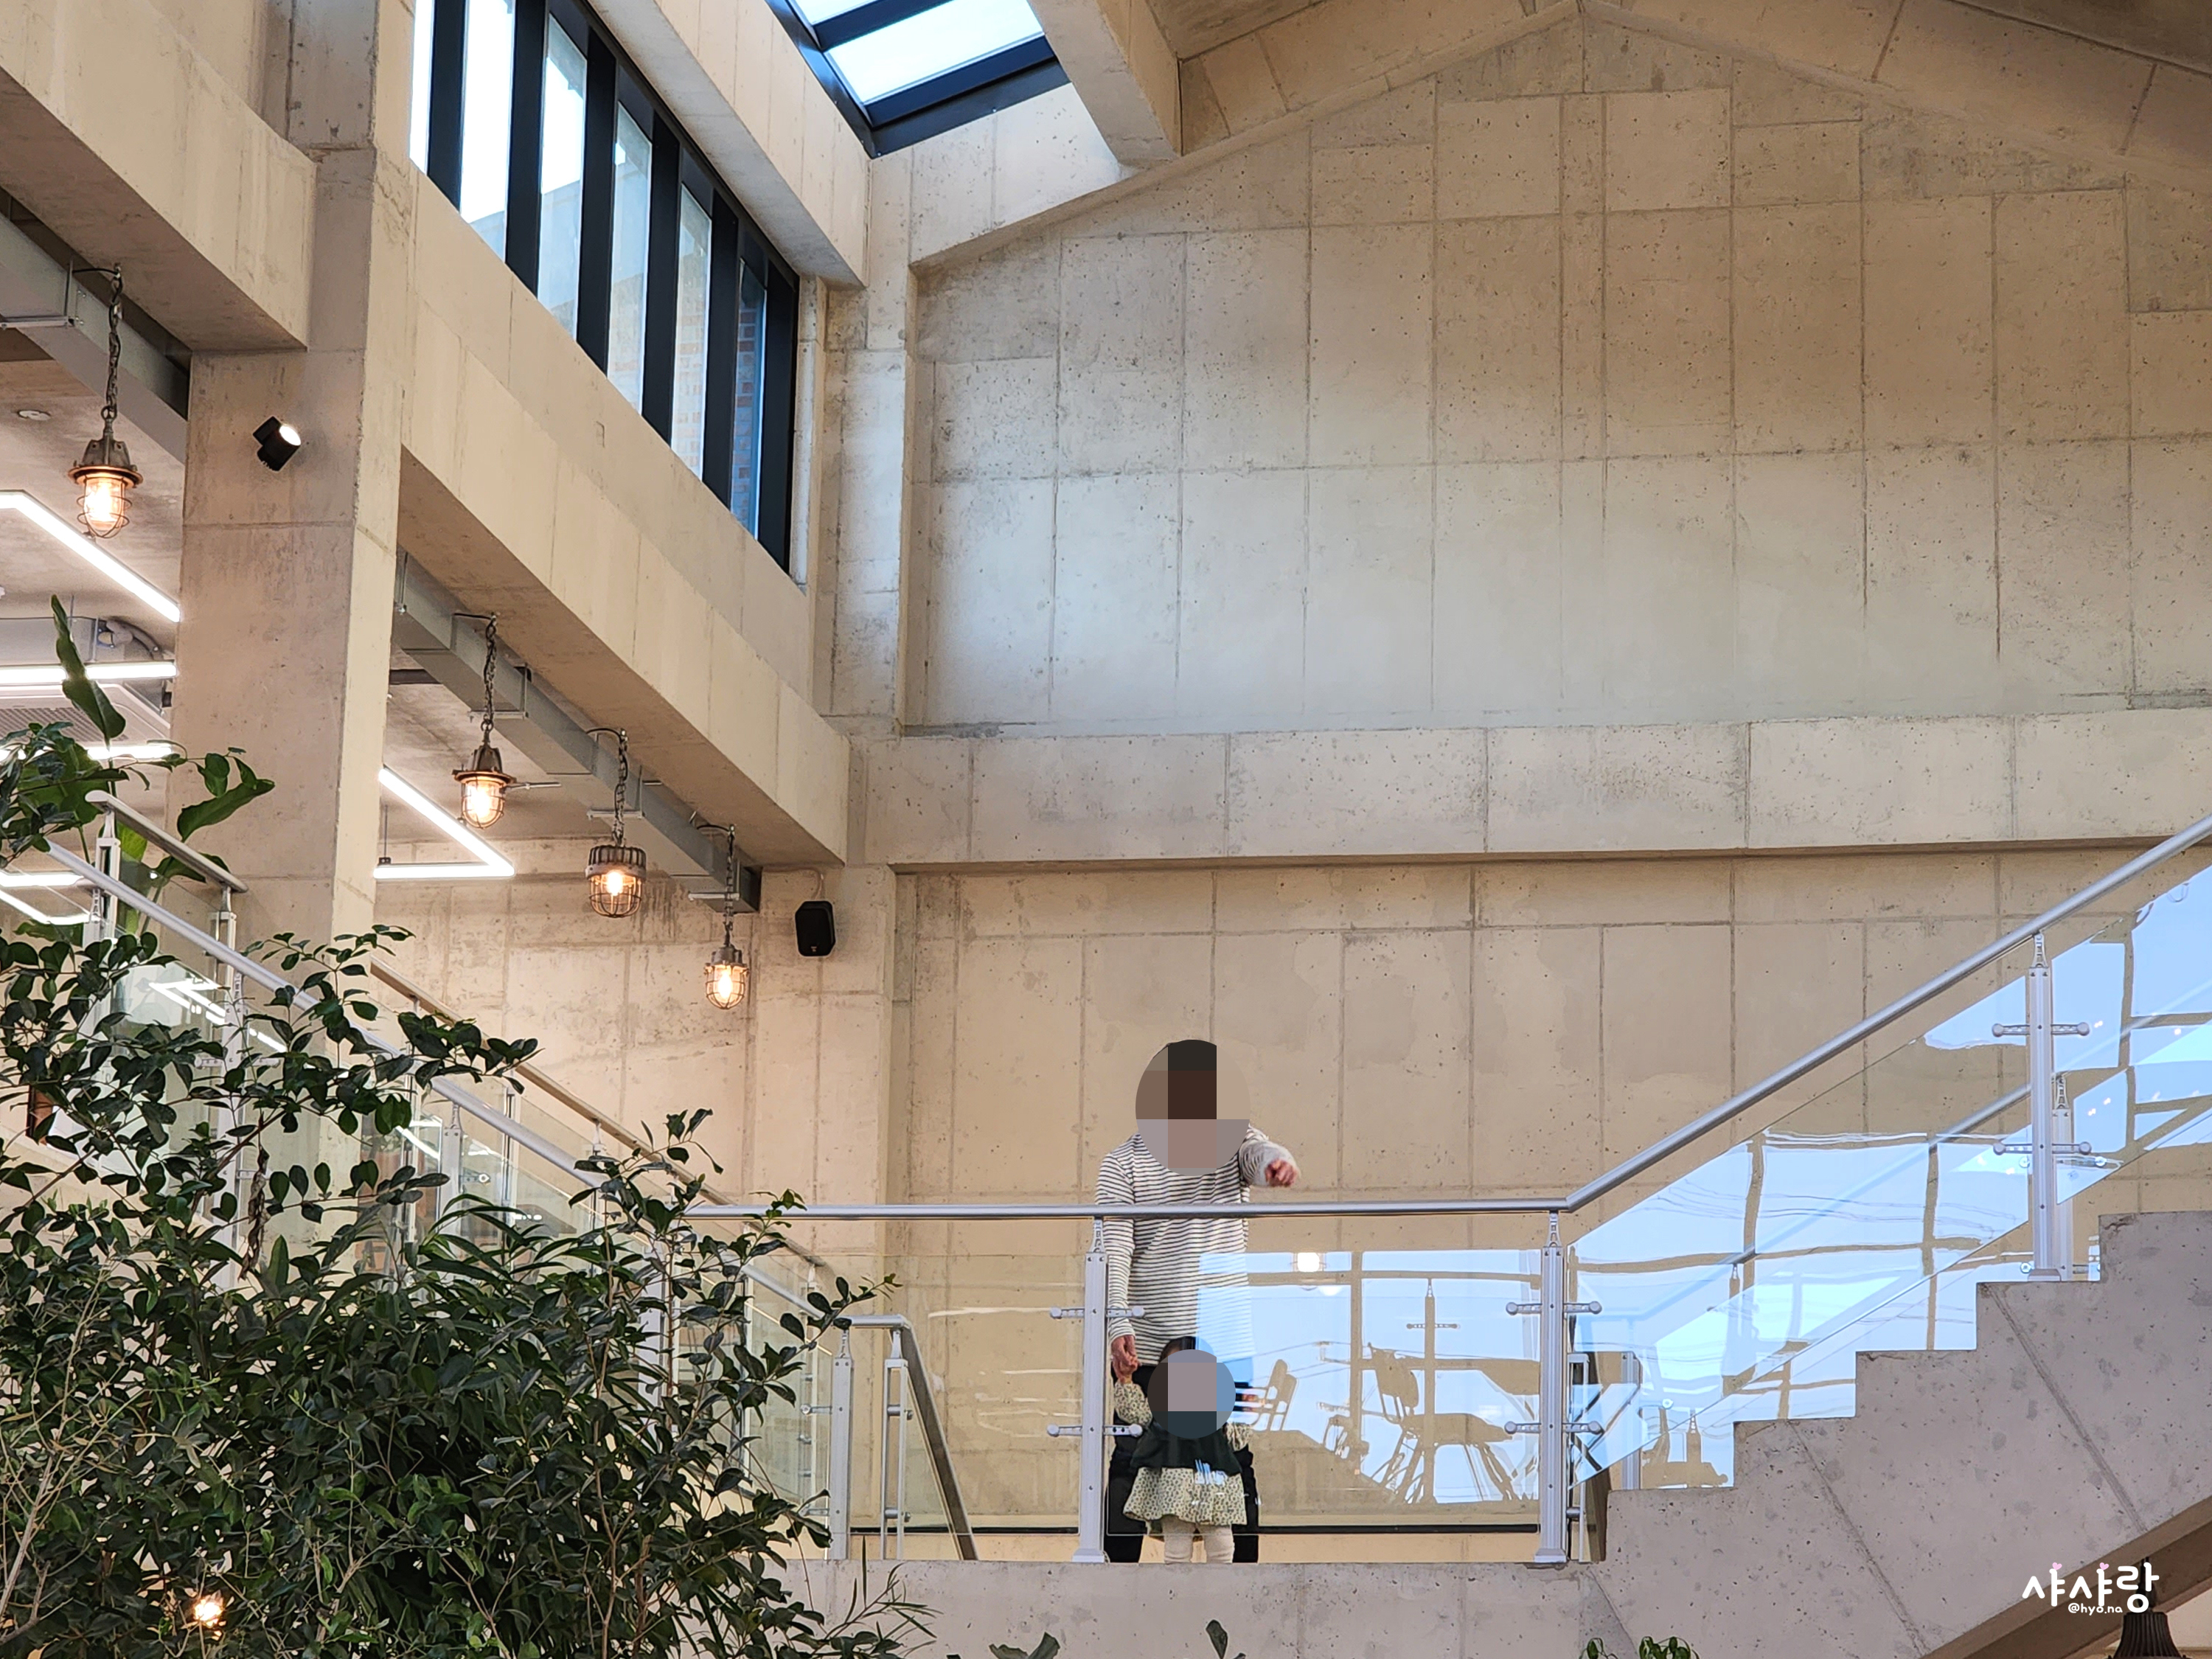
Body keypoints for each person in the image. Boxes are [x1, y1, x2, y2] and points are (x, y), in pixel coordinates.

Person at [1098, 1039, 1298, 1562]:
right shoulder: (1122, 1164)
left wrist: (1278, 1164)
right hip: (1151, 1342)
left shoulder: (1233, 1143)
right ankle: (1113, 1580)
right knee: (1134, 1455)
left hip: (1222, 1343)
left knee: (1232, 1457)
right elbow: (1113, 1248)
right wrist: (1117, 1324)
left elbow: (1260, 1154)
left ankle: (1241, 1583)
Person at [1113, 1337, 1249, 1563]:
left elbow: (1236, 1439)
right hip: (1174, 1491)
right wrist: (1126, 1380)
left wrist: (1241, 1411)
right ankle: (1178, 1586)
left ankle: (1220, 1585)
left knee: (1222, 1548)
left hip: (1214, 1490)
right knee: (1177, 1552)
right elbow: (1134, 1411)